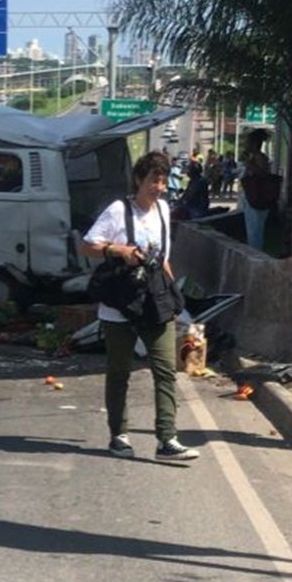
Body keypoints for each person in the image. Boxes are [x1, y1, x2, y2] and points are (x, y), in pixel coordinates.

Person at [80, 151, 200, 461]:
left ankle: (167, 439)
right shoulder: (118, 211)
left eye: (162, 181)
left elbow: (164, 259)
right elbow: (88, 245)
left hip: (155, 301)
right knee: (120, 371)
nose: (158, 187)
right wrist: (118, 249)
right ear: (138, 180)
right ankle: (118, 435)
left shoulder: (163, 210)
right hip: (119, 304)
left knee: (165, 370)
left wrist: (177, 301)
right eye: (153, 180)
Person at [239, 130, 274, 250]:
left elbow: (262, 173)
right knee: (251, 229)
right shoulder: (253, 157)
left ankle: (256, 253)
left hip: (257, 197)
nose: (245, 145)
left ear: (254, 144)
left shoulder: (260, 157)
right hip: (250, 197)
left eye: (247, 142)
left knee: (255, 231)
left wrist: (248, 163)